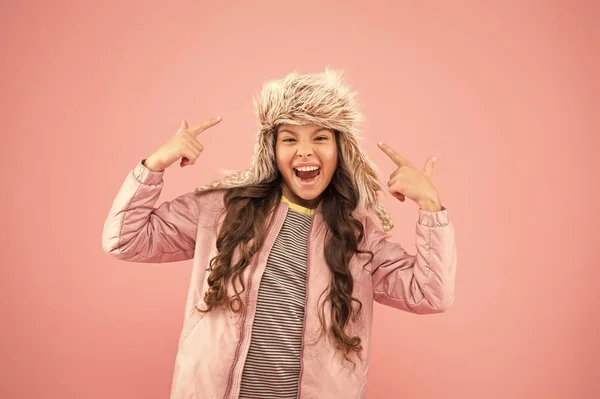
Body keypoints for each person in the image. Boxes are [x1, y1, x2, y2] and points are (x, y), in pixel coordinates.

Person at [102, 68, 457, 399]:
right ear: (271, 149)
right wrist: (154, 165)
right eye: (290, 138)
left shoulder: (358, 234)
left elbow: (429, 293)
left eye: (320, 137)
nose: (305, 150)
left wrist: (430, 206)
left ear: (340, 150)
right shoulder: (222, 208)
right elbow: (125, 239)